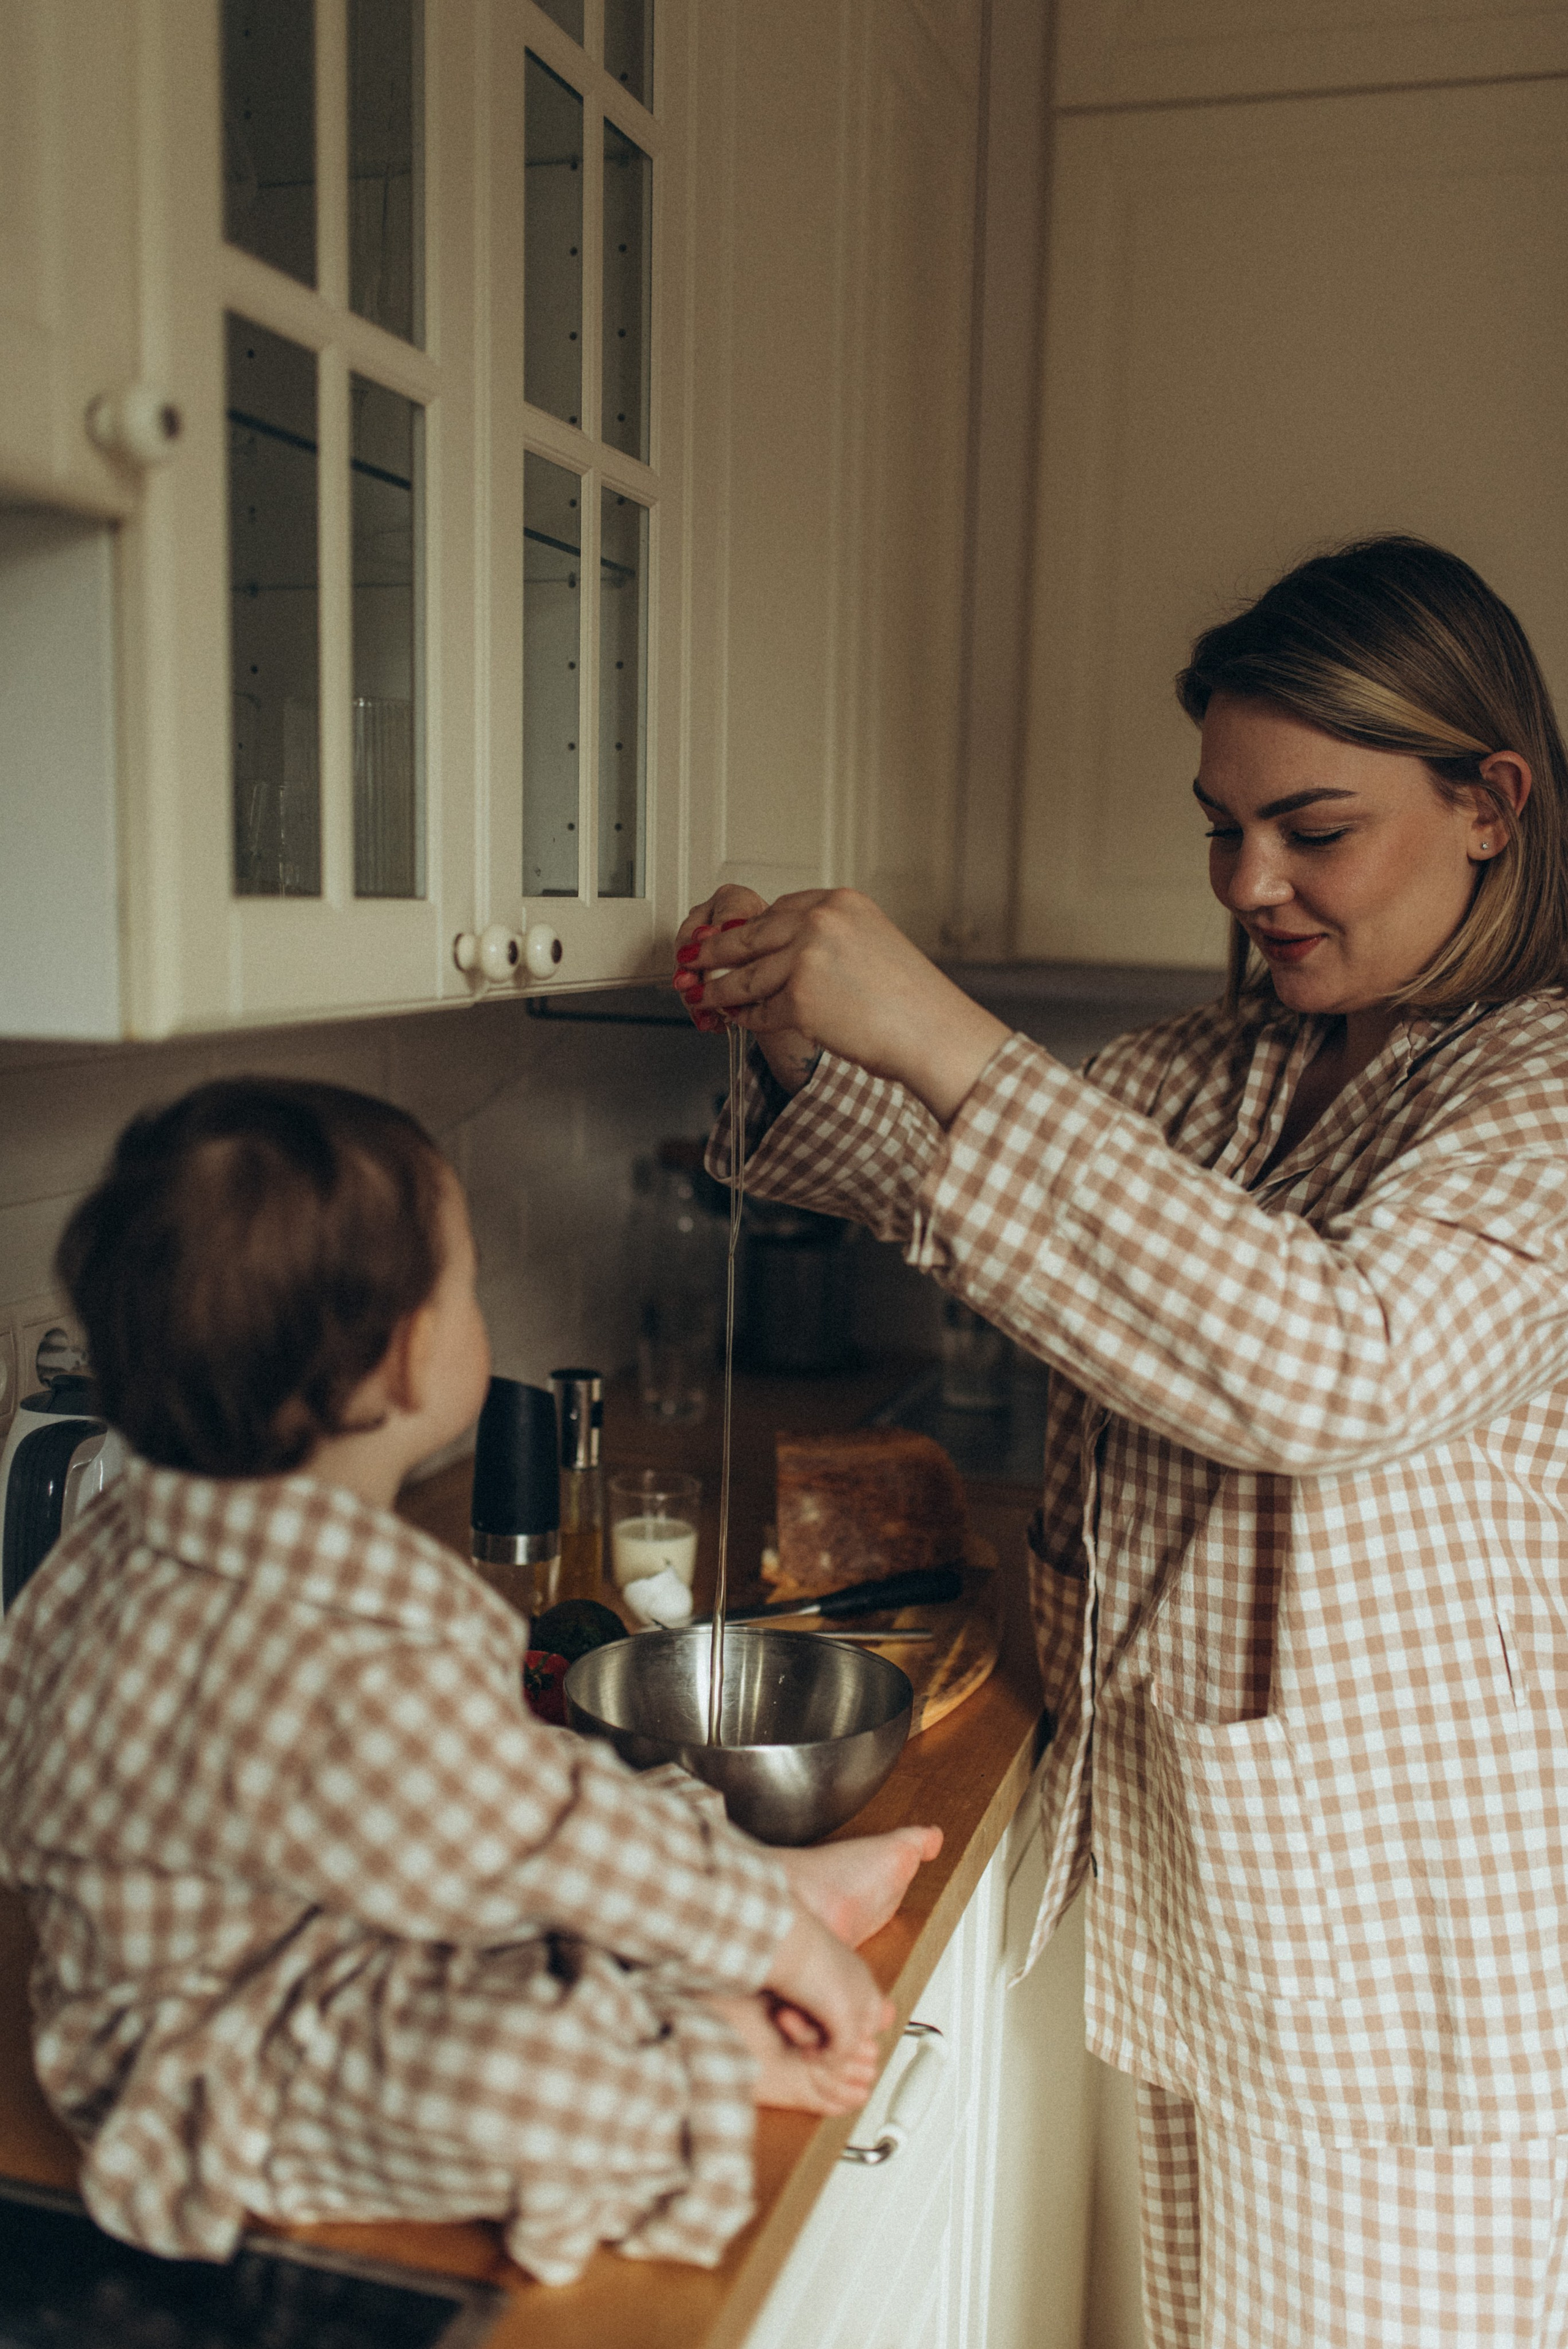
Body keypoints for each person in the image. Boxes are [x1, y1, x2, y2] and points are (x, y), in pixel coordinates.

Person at [673, 536, 1568, 2347]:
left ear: (1492, 802)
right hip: (1213, 1878)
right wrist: (790, 1034)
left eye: (1313, 830)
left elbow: (1338, 1363)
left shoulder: (1538, 1081)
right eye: (1223, 827)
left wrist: (941, 1025)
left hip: (1404, 1938)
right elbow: (939, 1171)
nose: (1252, 882)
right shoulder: (1233, 1067)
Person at [0, 1078, 941, 2285]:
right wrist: (784, 1953)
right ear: (403, 1359)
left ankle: (748, 1890)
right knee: (534, 2065)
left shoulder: (114, 1537)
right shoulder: (346, 1656)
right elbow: (542, 1837)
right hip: (217, 2065)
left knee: (597, 1800)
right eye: (468, 1280)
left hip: (279, 1938)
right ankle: (706, 2028)